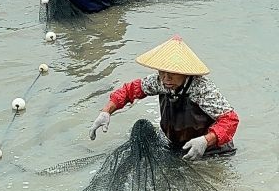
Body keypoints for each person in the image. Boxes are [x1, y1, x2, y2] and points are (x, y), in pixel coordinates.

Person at [89, 35, 239, 159]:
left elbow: (230, 119)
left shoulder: (202, 89)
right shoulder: (159, 82)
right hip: (179, 145)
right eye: (162, 73)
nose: (166, 79)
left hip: (212, 150)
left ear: (184, 72)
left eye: (172, 74)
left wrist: (206, 141)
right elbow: (130, 90)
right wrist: (106, 111)